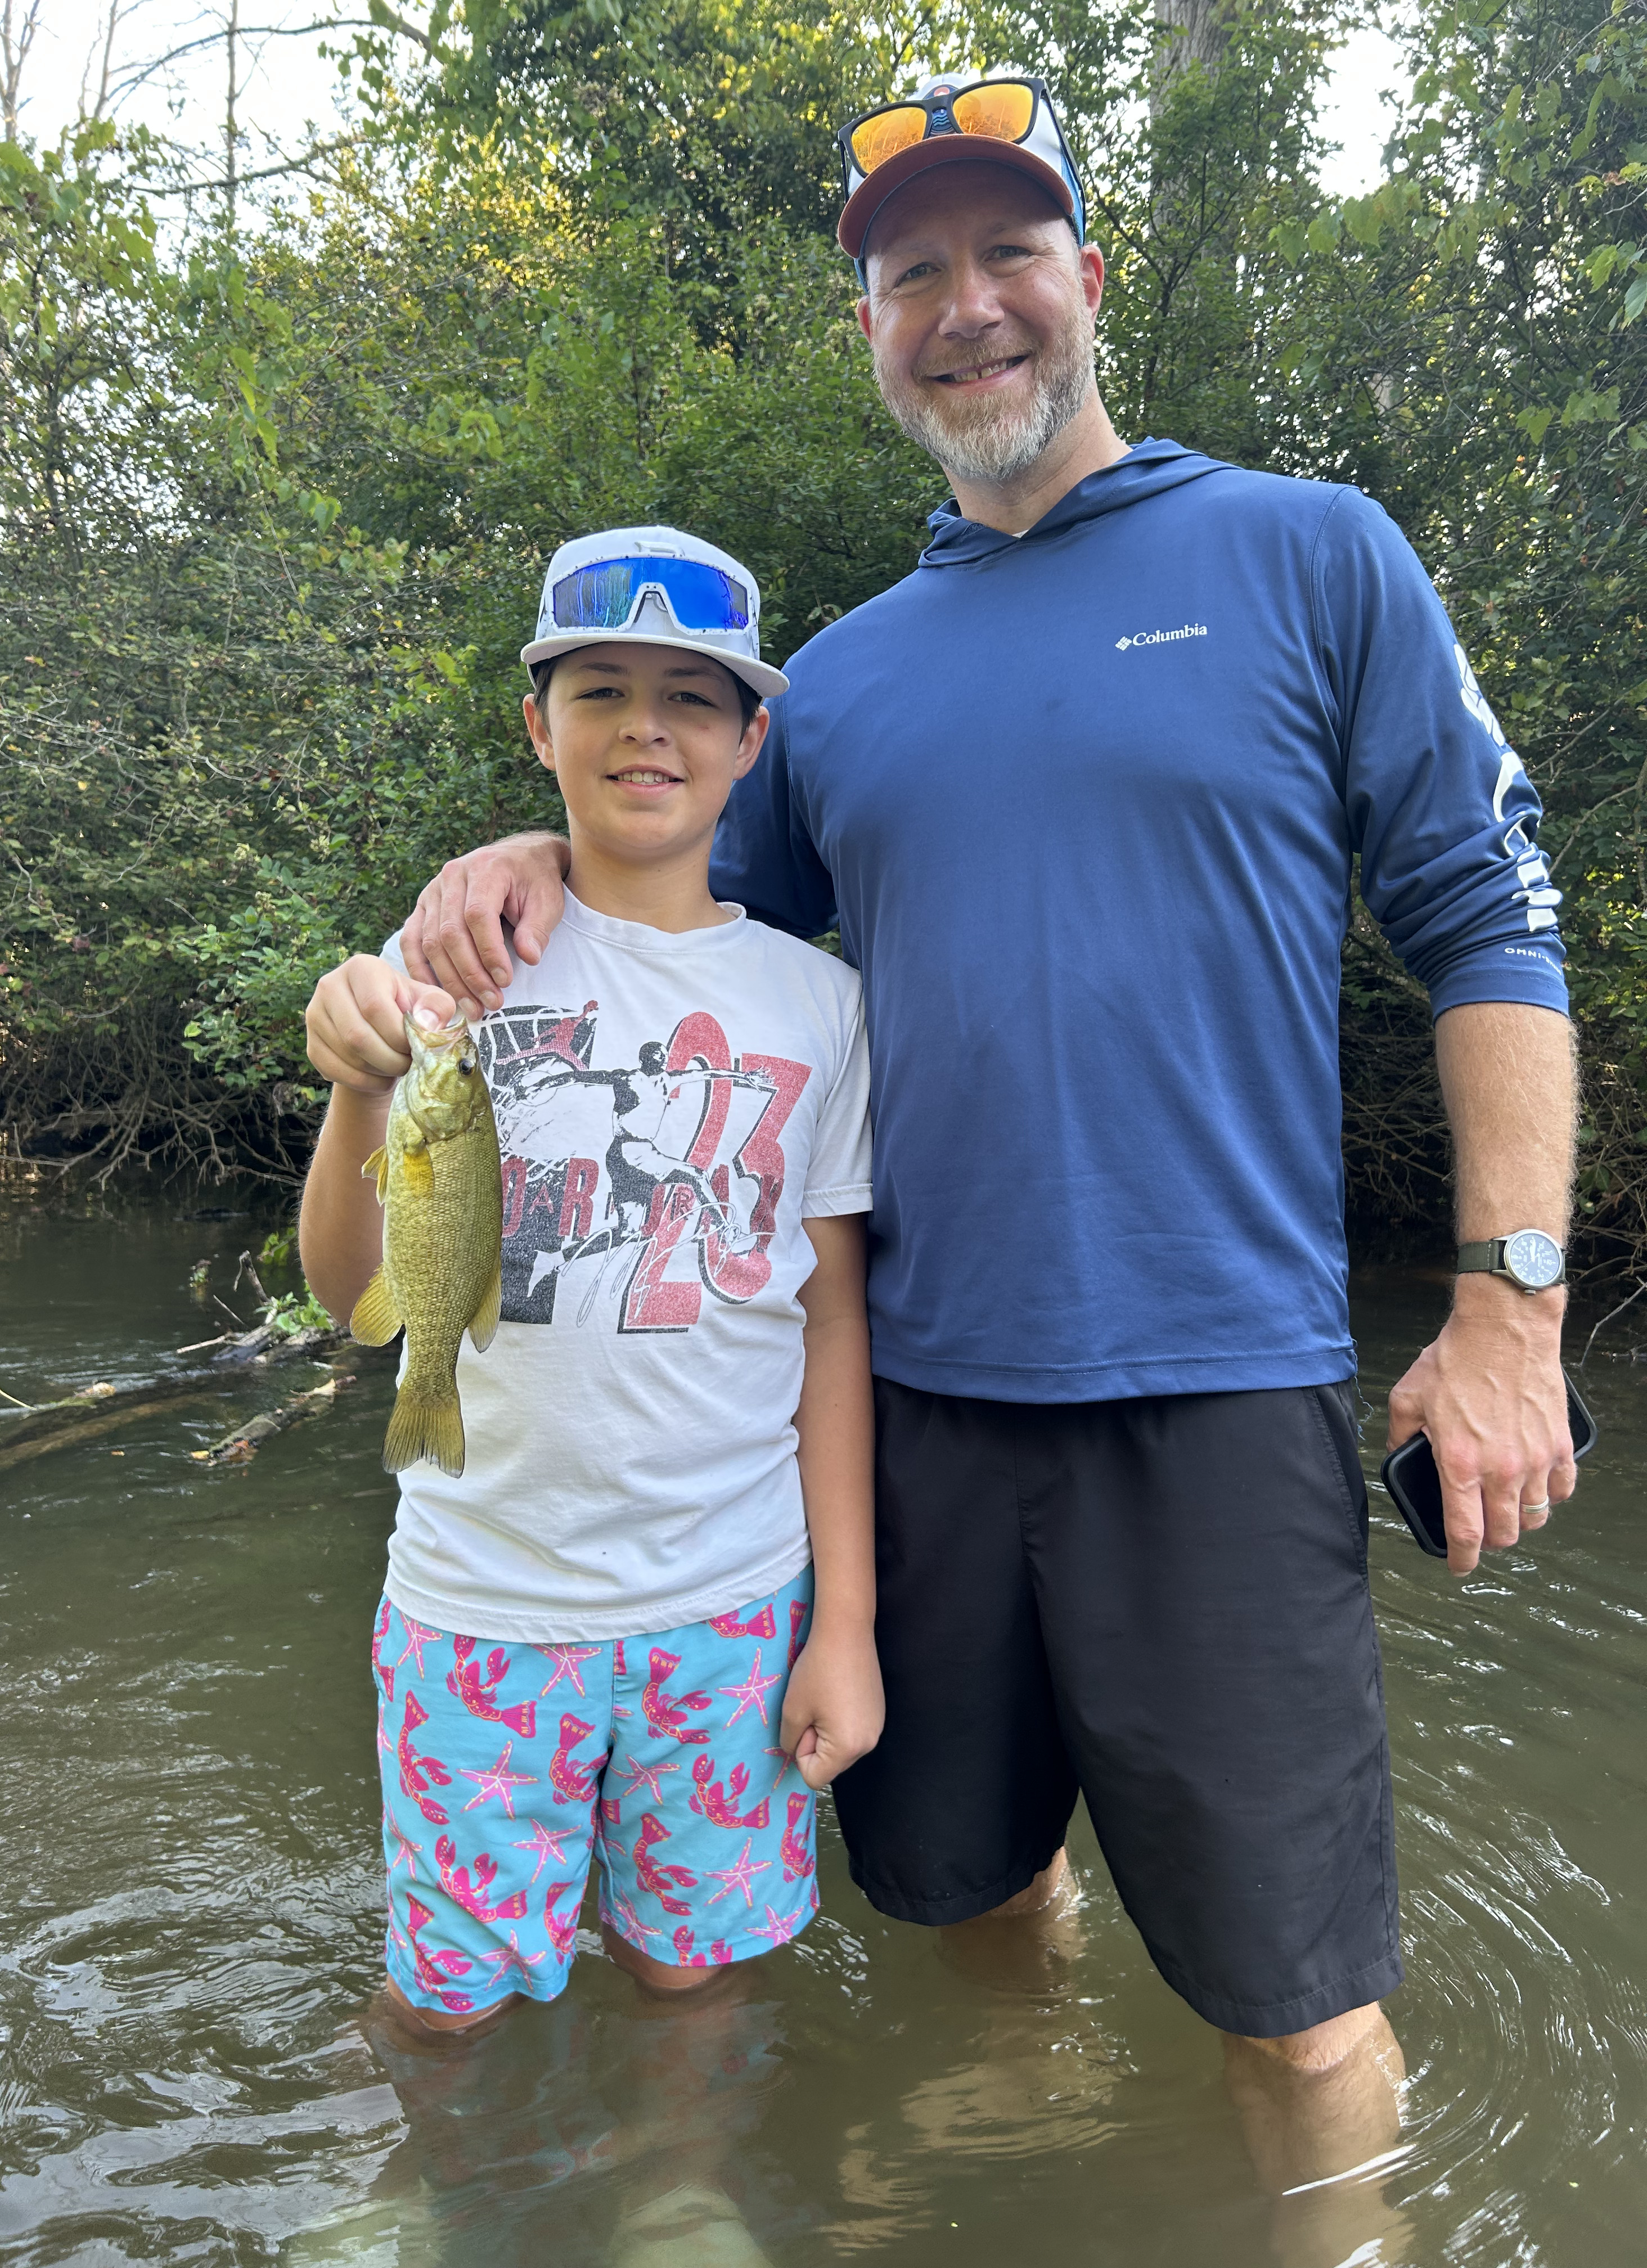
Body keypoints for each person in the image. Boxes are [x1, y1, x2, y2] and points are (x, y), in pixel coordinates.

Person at [392, 73, 1577, 2189]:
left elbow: (1489, 924)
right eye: (910, 274)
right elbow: (660, 894)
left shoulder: (1313, 554)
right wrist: (505, 854)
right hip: (913, 1411)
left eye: (1006, 254)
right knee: (962, 1896)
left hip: (1219, 1397)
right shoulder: (834, 683)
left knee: (1307, 2010)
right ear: (871, 331)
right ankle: (1023, 2199)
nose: (966, 307)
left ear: (1086, 282)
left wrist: (1508, 1314)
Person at [299, 525, 884, 2037]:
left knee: (693, 1974)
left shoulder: (820, 1007)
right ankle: (429, 2197)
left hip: (734, 1607)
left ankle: (677, 2200)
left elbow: (831, 1325)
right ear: (536, 728)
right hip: (477, 1605)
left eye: (692, 699)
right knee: (449, 1996)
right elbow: (341, 1287)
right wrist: (361, 1084)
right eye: (600, 689)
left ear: (753, 739)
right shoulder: (457, 969)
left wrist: (847, 1626)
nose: (645, 727)